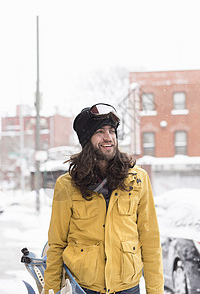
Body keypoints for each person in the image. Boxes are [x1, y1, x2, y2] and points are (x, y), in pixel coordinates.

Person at [44, 103, 164, 294]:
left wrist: (155, 291)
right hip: (82, 287)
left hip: (127, 287)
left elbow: (150, 240)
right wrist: (50, 290)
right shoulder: (67, 185)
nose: (108, 137)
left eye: (111, 131)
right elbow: (56, 244)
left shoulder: (138, 179)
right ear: (86, 139)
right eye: (100, 131)